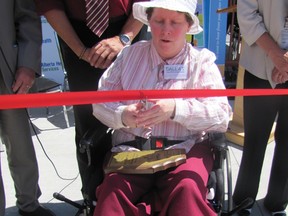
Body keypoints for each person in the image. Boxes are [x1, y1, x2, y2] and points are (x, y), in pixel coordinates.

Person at [92, 0, 232, 215]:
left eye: (175, 22)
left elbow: (222, 116)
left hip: (185, 150)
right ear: (149, 22)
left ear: (188, 26)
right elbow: (100, 102)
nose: (166, 30)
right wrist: (123, 115)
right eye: (159, 21)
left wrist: (176, 109)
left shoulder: (201, 62)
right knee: (113, 191)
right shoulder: (128, 56)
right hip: (132, 152)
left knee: (187, 188)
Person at [34, 0, 149, 205]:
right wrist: (81, 52)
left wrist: (123, 38)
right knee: (89, 123)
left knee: (138, 118)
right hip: (76, 34)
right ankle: (94, 199)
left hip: (129, 27)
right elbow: (50, 5)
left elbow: (145, 2)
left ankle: (135, 197)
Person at [0, 1, 56, 216]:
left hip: (8, 74)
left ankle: (29, 204)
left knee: (20, 143)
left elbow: (26, 17)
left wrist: (28, 64)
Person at [233, 0, 288, 216]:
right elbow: (247, 15)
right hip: (260, 64)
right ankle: (243, 202)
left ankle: (278, 203)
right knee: (255, 139)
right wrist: (276, 55)